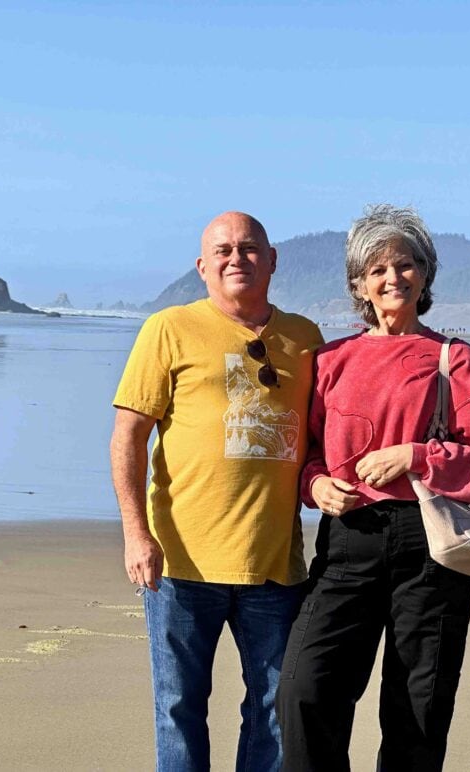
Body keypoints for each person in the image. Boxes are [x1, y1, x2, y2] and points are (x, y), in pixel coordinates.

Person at [275, 205, 470, 771]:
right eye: (377, 269)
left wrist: (417, 456)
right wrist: (316, 486)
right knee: (304, 692)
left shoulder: (453, 360)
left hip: (432, 546)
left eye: (405, 265)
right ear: (359, 284)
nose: (393, 278)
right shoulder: (332, 359)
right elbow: (309, 455)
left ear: (425, 274)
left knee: (417, 711)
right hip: (347, 541)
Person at [110, 211, 324, 771]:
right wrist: (136, 533)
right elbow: (129, 434)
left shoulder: (305, 338)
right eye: (223, 250)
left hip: (274, 564)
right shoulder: (169, 328)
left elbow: (330, 436)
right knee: (179, 708)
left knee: (276, 708)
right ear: (202, 266)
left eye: (250, 248)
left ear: (272, 261)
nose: (237, 259)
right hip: (181, 564)